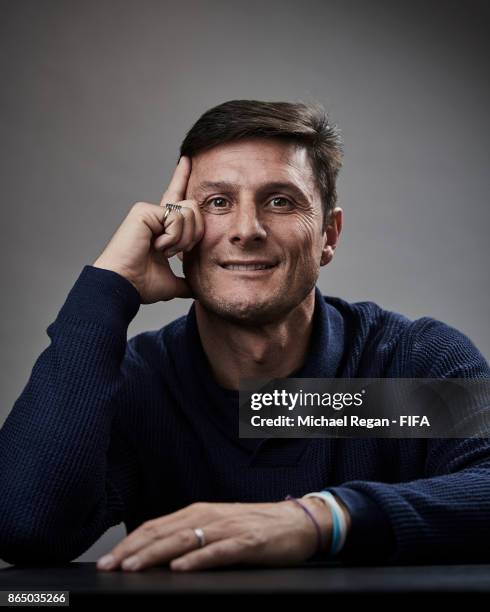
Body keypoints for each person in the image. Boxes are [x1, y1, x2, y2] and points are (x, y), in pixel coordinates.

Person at [0, 100, 489, 573]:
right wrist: (107, 291)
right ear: (178, 229)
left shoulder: (411, 362)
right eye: (217, 203)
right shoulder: (140, 384)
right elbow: (25, 528)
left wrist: (320, 519)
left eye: (280, 201)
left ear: (328, 236)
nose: (246, 229)